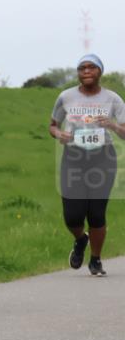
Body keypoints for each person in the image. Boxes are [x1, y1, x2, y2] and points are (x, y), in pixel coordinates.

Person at [50, 54, 125, 276]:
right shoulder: (66, 97)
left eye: (91, 67)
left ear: (100, 71)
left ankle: (95, 259)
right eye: (82, 68)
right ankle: (81, 239)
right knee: (72, 216)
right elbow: (52, 126)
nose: (86, 71)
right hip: (73, 157)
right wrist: (59, 134)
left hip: (103, 157)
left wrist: (111, 125)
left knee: (96, 214)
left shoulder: (113, 99)